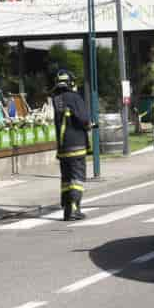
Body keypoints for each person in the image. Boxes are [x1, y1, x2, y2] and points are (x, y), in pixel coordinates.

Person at [51, 68, 92, 221]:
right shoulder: (74, 97)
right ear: (71, 83)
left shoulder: (56, 99)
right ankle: (74, 209)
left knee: (66, 179)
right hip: (76, 145)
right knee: (77, 178)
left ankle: (68, 208)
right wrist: (89, 124)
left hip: (63, 148)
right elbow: (83, 119)